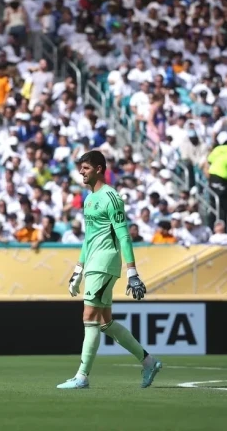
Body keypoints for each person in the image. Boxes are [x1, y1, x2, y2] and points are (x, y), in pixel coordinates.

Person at [57, 150, 161, 390]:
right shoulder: (89, 199)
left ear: (99, 169)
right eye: (80, 168)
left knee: (89, 317)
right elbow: (88, 238)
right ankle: (149, 362)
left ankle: (82, 376)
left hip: (104, 264)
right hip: (93, 264)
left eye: (85, 168)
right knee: (105, 322)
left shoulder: (112, 197)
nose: (81, 172)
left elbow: (124, 236)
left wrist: (132, 272)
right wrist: (78, 269)